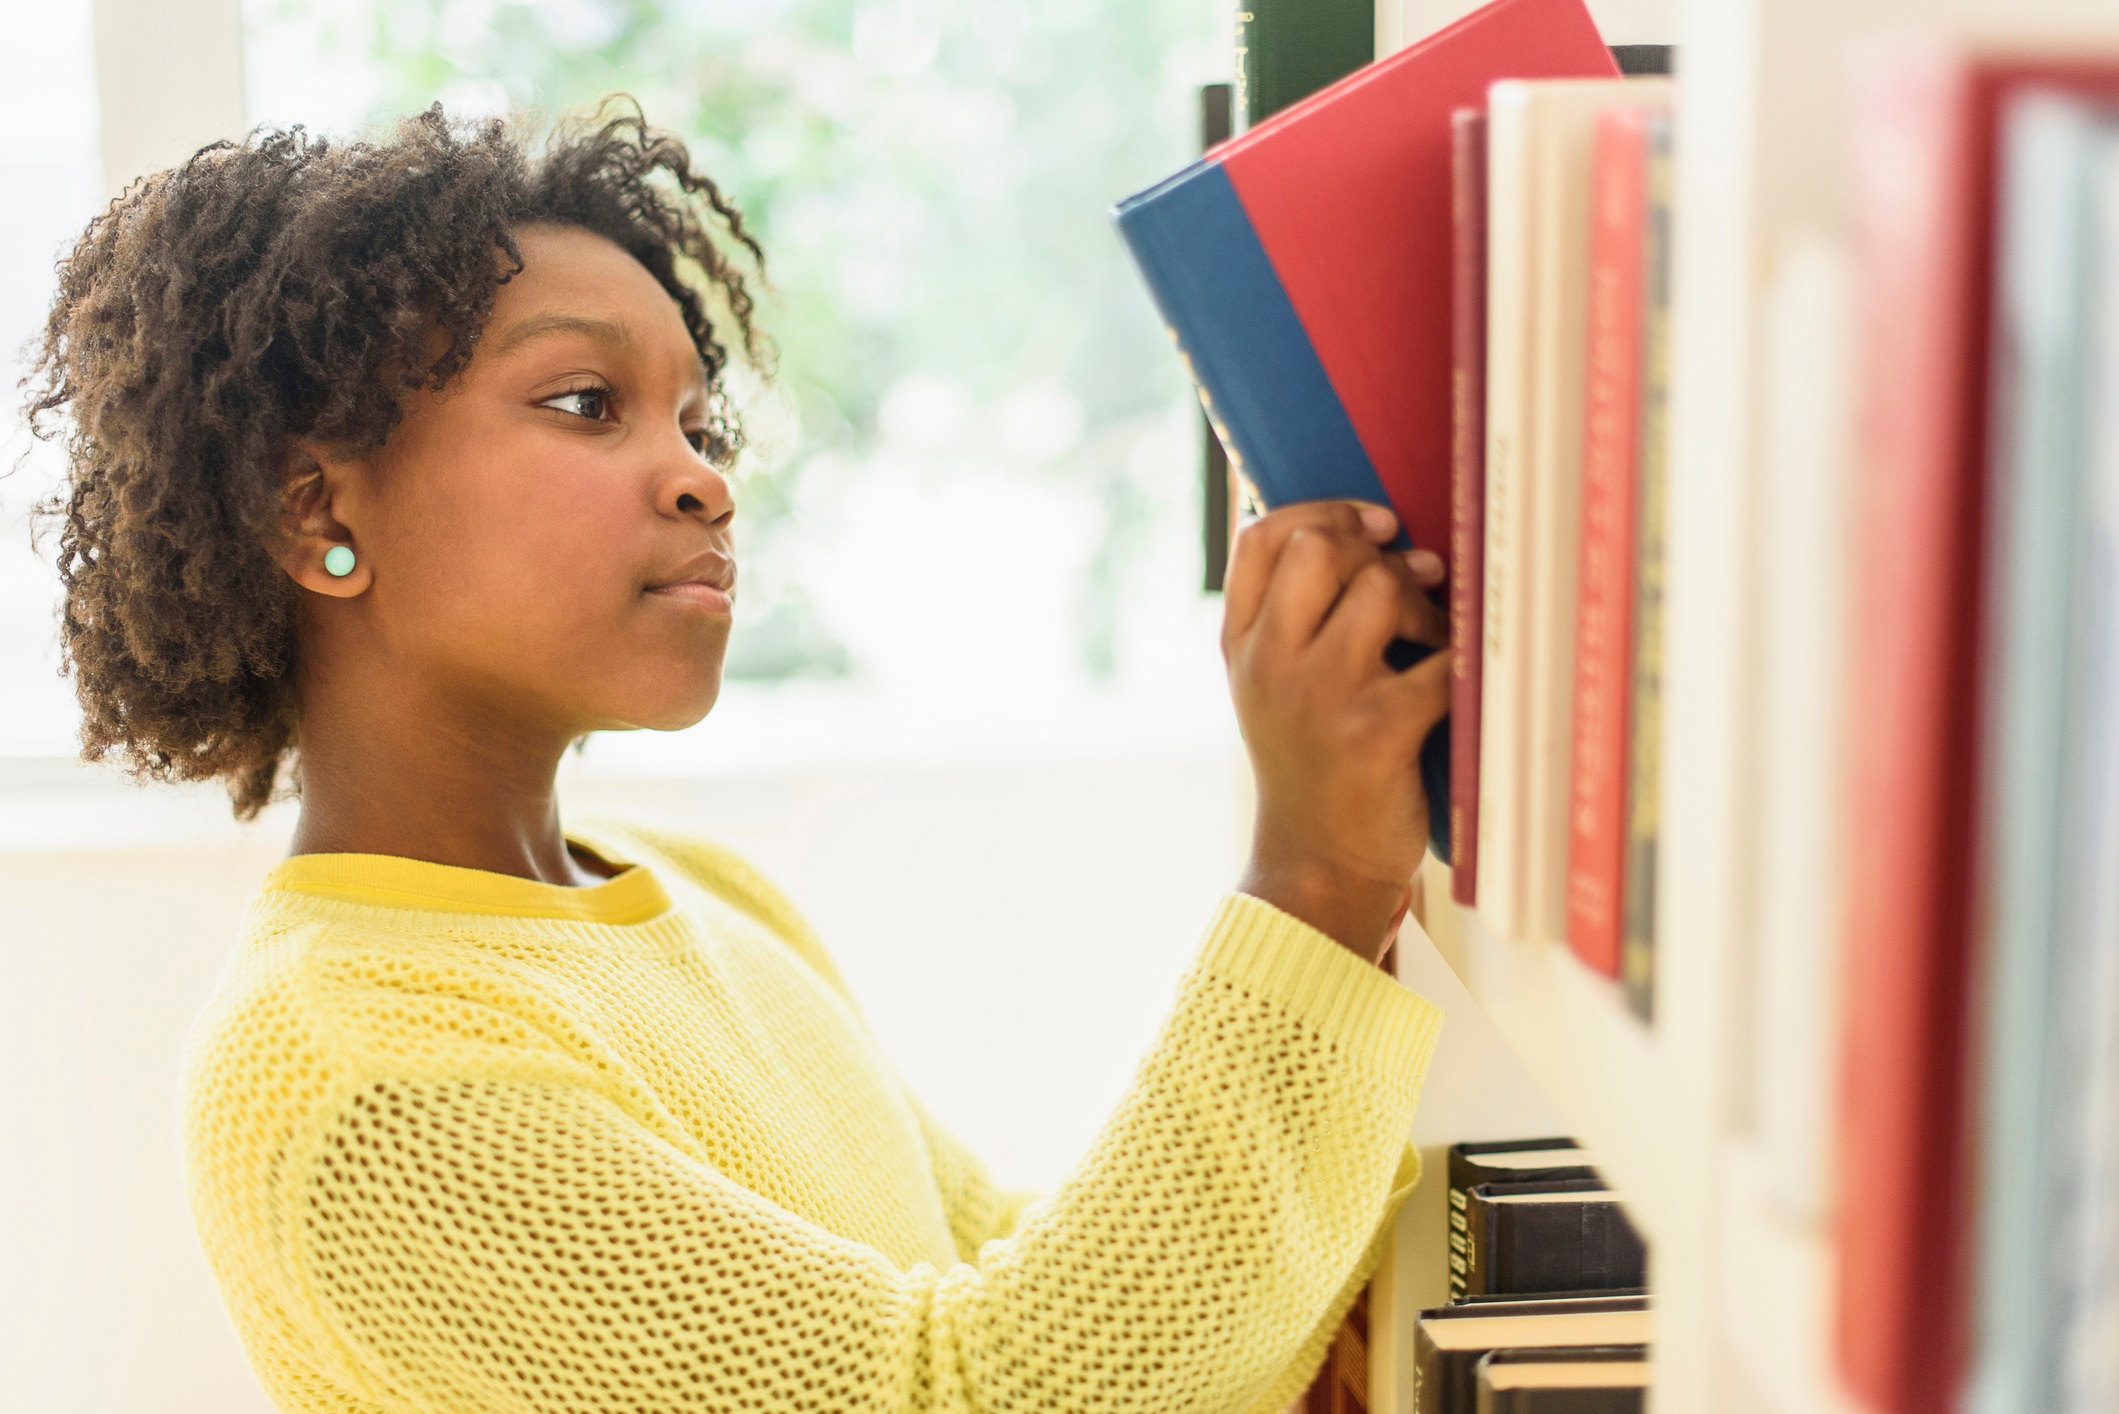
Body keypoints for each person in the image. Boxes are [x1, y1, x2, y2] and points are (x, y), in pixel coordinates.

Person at [25, 102, 1452, 1412]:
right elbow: (974, 1395)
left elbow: (987, 1259)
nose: (703, 477)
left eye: (698, 420)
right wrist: (1320, 876)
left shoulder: (691, 885)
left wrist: (1290, 1327)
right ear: (311, 511)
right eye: (587, 403)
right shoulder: (360, 1083)